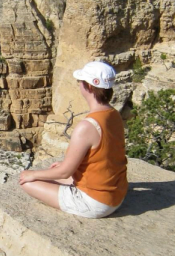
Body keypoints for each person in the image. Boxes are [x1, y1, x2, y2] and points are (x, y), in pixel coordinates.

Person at [19, 61, 128, 218]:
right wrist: (63, 168)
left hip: (96, 203)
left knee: (27, 182)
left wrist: (33, 174)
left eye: (80, 82)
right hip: (116, 193)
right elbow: (103, 155)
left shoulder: (87, 126)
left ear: (89, 87)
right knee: (52, 172)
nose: (79, 85)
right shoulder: (114, 114)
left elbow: (64, 173)